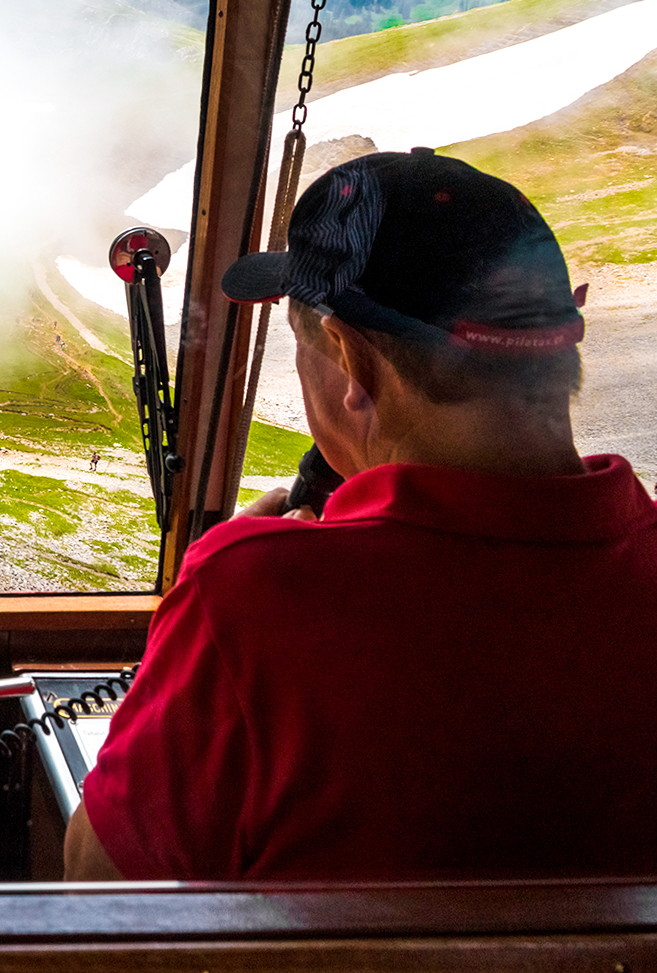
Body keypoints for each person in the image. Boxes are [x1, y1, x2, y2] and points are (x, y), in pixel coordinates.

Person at [65, 149, 657, 881]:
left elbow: (97, 885)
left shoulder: (255, 601)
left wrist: (226, 595)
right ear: (567, 327)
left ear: (351, 360)